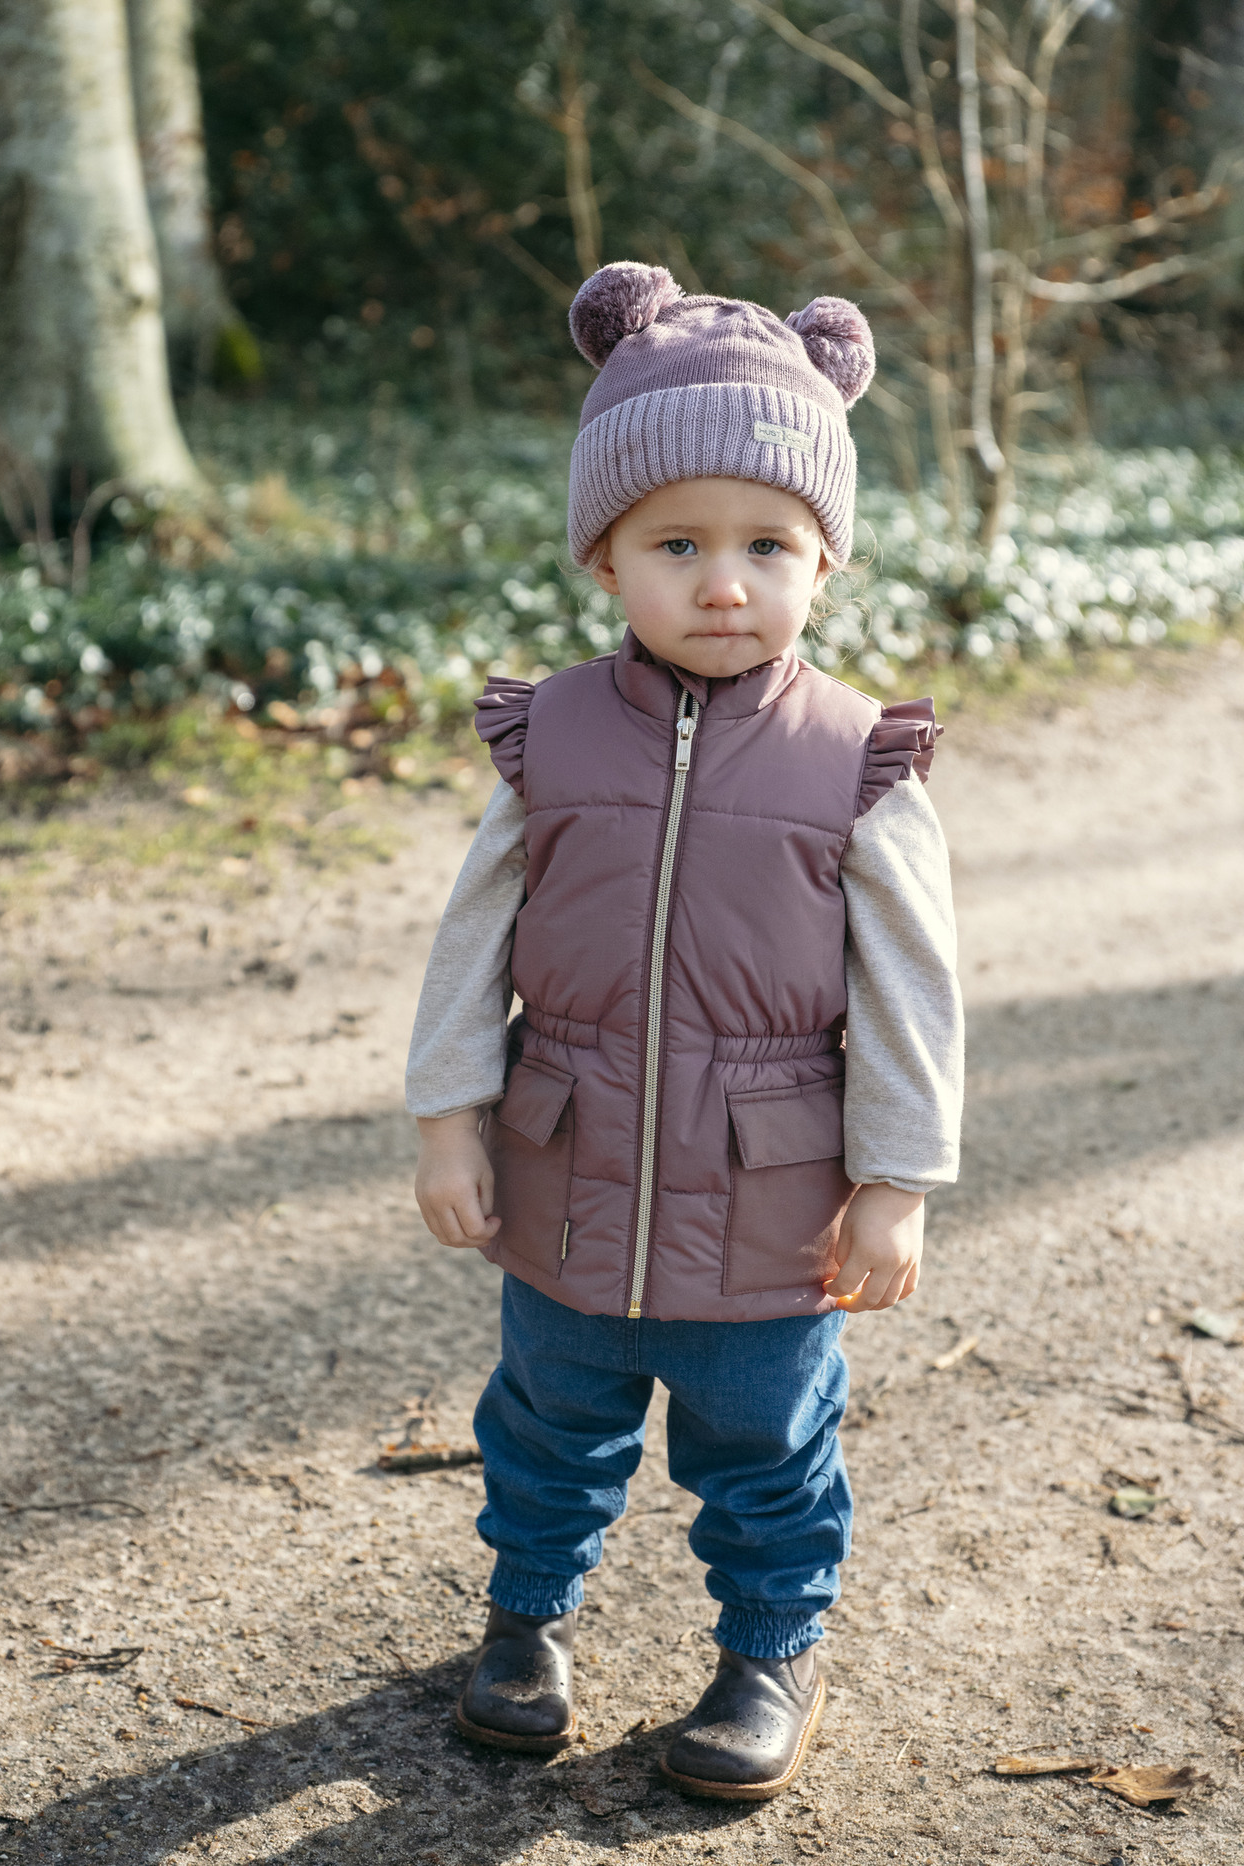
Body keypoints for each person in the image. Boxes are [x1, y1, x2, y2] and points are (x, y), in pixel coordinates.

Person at [405, 262, 963, 1801]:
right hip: (564, 1172)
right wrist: (450, 1118)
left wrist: (898, 1181)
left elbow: (912, 990)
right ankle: (526, 1621)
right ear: (605, 556)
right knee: (546, 1421)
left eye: (768, 544)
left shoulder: (856, 760)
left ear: (825, 557)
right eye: (678, 544)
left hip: (771, 1197)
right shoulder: (551, 737)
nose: (725, 582)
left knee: (769, 1446)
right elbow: (471, 943)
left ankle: (770, 1649)